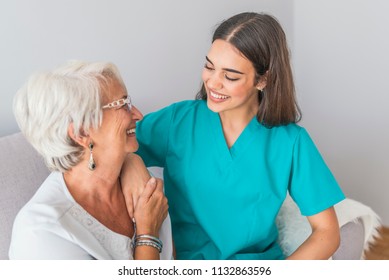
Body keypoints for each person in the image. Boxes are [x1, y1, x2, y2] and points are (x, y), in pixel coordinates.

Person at [124, 12, 345, 260]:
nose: (213, 83)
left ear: (263, 80)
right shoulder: (177, 121)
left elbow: (327, 232)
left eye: (230, 76)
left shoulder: (291, 142)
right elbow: (115, 147)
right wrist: (132, 162)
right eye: (209, 66)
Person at [9, 61, 173, 260]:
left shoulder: (141, 181)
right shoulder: (40, 235)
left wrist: (132, 160)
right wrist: (148, 233)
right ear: (81, 132)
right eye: (123, 105)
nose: (138, 115)